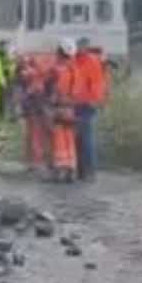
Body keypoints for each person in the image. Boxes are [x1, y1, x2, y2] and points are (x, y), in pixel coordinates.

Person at [70, 37, 109, 181]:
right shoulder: (74, 60)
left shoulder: (91, 61)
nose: (80, 48)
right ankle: (81, 171)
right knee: (77, 139)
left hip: (86, 103)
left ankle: (89, 171)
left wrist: (94, 100)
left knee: (86, 139)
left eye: (82, 45)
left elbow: (97, 83)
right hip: (74, 103)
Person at [47, 41, 79, 181]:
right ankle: (71, 169)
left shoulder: (56, 69)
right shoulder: (74, 69)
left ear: (60, 52)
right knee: (69, 139)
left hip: (58, 108)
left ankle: (59, 170)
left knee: (58, 139)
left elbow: (48, 87)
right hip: (71, 108)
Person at [19, 53, 49, 173]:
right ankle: (35, 162)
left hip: (33, 111)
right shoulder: (38, 77)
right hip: (37, 111)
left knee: (32, 136)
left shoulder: (30, 76)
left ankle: (32, 162)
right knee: (37, 136)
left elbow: (26, 92)